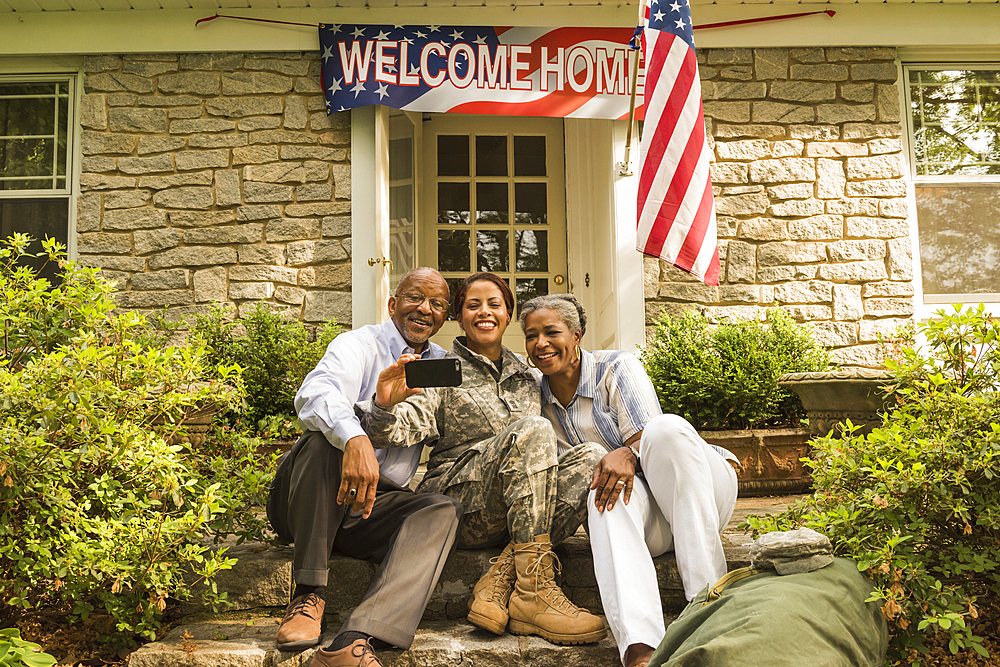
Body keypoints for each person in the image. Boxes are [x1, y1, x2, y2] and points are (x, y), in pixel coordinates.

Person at [358, 272, 607, 646]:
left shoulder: (527, 373)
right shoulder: (440, 370)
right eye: (473, 305)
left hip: (519, 512)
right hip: (461, 504)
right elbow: (393, 431)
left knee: (592, 456)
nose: (484, 312)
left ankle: (504, 578)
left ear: (508, 315)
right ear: (459, 317)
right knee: (533, 429)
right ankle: (537, 592)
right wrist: (383, 404)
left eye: (495, 304)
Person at [518, 294, 740, 667]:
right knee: (600, 498)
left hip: (697, 489)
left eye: (551, 332)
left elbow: (650, 439)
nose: (540, 343)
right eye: (531, 335)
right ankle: (640, 648)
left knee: (666, 429)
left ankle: (706, 603)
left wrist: (626, 451)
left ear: (577, 335)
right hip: (649, 517)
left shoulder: (617, 366)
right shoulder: (534, 396)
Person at [266, 268, 464, 667]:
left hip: (369, 507)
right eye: (414, 298)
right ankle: (308, 593)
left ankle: (357, 637)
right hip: (310, 499)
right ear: (393, 304)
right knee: (323, 441)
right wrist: (355, 439)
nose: (425, 309)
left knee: (441, 509)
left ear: (445, 317)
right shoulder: (359, 344)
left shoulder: (443, 364)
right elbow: (315, 394)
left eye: (437, 304)